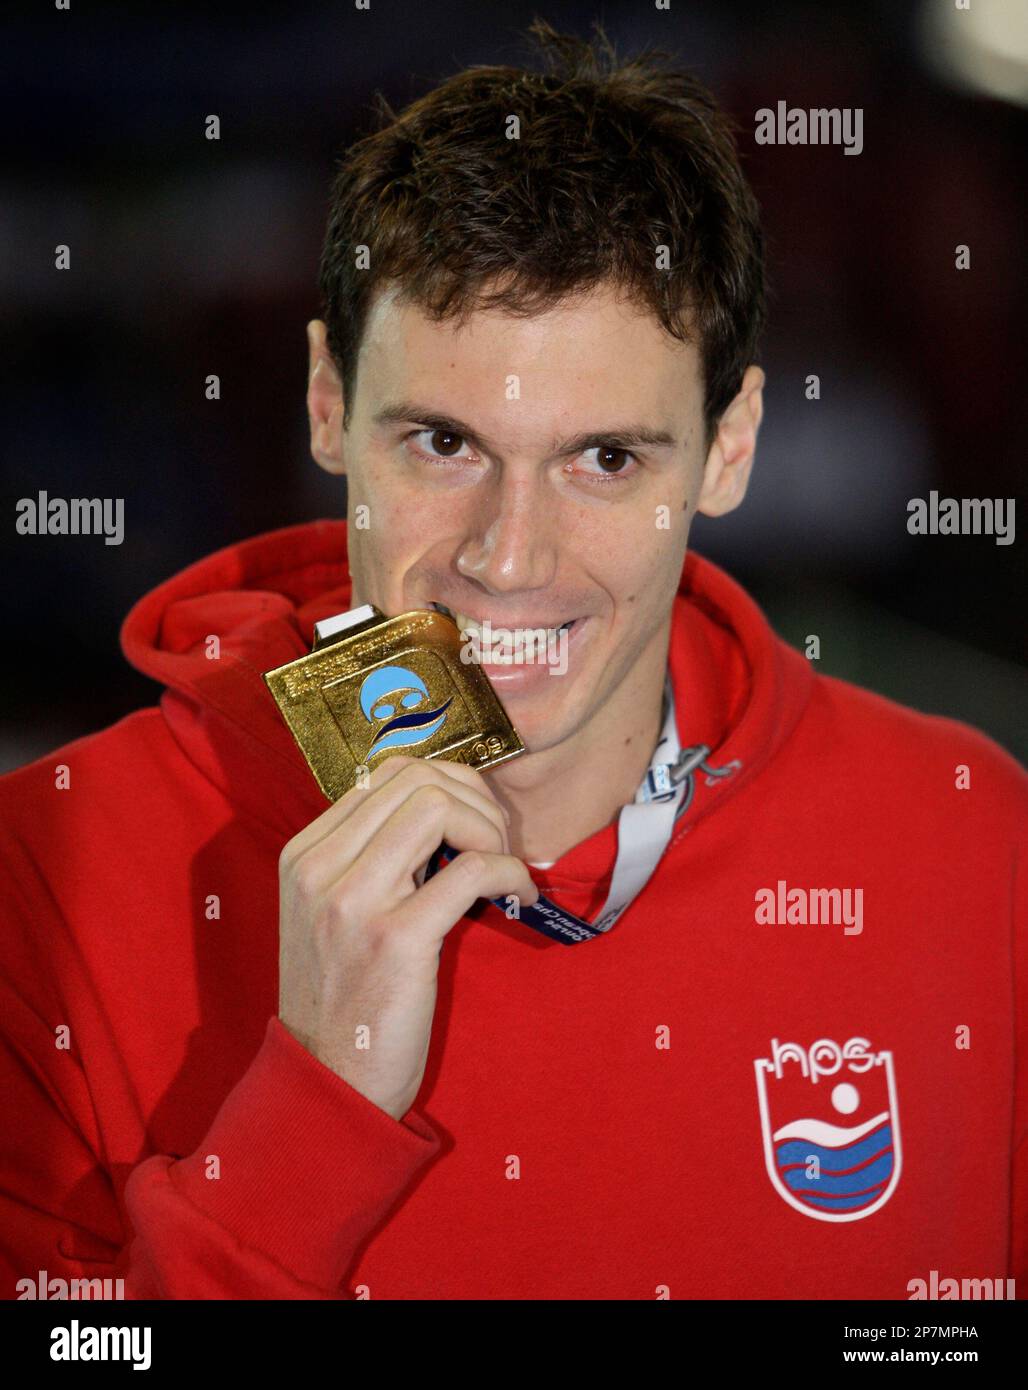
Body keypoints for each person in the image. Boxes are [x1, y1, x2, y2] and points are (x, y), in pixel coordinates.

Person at [2, 20, 1025, 1302]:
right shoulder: (44, 873)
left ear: (729, 444)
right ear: (325, 402)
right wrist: (306, 1111)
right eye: (443, 443)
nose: (508, 554)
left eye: (605, 458)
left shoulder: (971, 841)